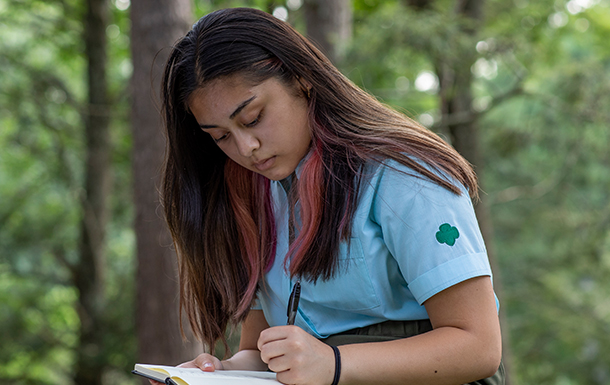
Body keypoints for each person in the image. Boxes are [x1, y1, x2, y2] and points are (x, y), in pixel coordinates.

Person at [159, 7, 503, 385]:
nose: (246, 148)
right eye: (220, 136)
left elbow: (479, 347)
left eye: (253, 118)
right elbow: (262, 353)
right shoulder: (252, 196)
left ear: (302, 79)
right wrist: (220, 372)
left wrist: (334, 363)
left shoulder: (404, 176)